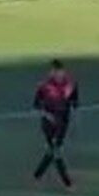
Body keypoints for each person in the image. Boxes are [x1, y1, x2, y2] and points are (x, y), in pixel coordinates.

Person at [32, 59, 79, 188]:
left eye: (59, 72)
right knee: (56, 151)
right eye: (54, 72)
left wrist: (73, 116)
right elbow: (36, 105)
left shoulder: (71, 85)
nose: (57, 74)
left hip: (63, 123)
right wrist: (48, 115)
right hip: (48, 124)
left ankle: (37, 176)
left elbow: (75, 103)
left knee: (51, 151)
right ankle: (67, 183)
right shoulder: (44, 86)